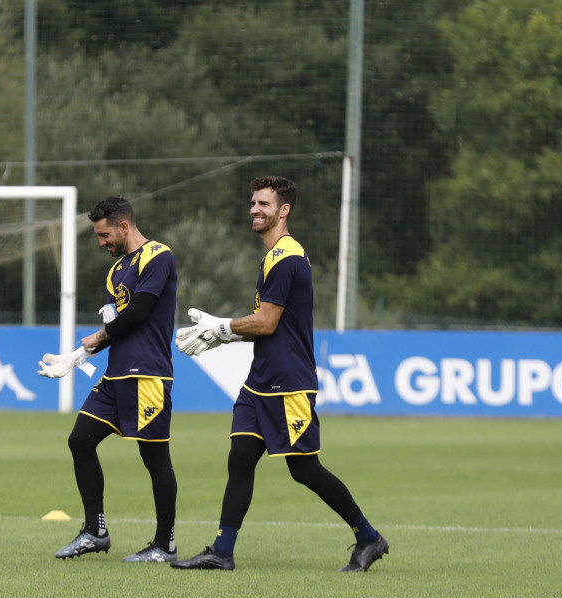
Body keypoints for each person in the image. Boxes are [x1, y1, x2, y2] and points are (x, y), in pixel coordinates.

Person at [170, 176, 388, 572]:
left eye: (264, 204)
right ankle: (221, 552)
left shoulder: (287, 258)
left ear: (283, 210)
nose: (255, 209)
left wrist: (222, 329)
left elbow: (267, 323)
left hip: (289, 382)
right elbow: (270, 326)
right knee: (240, 457)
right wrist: (225, 336)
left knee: (304, 469)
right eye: (253, 202)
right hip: (260, 381)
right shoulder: (273, 257)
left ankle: (369, 537)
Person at [39, 196, 179, 563]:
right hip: (116, 375)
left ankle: (165, 545)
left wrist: (98, 338)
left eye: (104, 235)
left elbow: (138, 313)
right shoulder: (115, 272)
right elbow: (112, 328)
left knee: (155, 459)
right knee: (80, 441)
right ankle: (94, 531)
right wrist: (75, 357)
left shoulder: (158, 256)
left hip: (147, 375)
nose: (102, 243)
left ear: (123, 226)